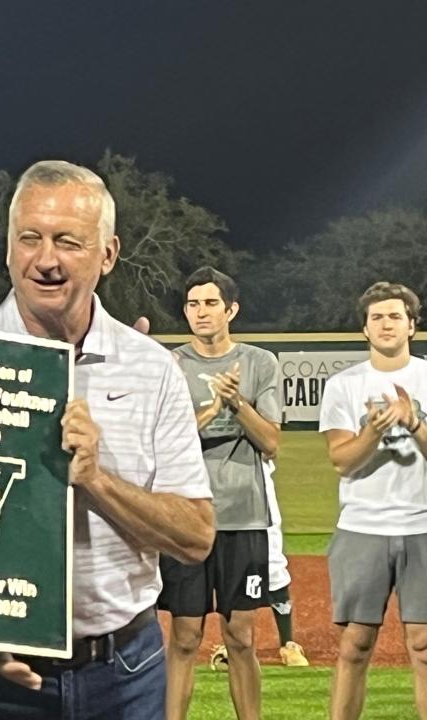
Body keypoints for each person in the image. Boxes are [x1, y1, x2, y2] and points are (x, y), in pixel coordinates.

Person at [0, 160, 215, 720]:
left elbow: (195, 536)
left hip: (124, 670)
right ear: (9, 248)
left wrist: (96, 479)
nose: (46, 260)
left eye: (68, 241)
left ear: (108, 255)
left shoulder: (152, 368)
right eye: (30, 239)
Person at [161, 266, 281, 720]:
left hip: (243, 517)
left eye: (211, 303)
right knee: (185, 636)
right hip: (187, 516)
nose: (200, 312)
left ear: (231, 309)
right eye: (193, 304)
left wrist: (237, 404)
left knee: (242, 637)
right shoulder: (171, 364)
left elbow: (270, 441)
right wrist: (213, 409)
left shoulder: (259, 363)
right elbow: (163, 441)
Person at [319, 281, 427, 720]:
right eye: (377, 316)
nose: (386, 324)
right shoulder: (344, 385)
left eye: (395, 316)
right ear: (364, 327)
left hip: (423, 524)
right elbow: (341, 460)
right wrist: (374, 432)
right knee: (355, 644)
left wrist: (414, 421)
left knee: (423, 646)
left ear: (412, 325)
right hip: (362, 526)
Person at [208, 459, 310, 670]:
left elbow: (271, 441)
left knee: (271, 559)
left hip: (255, 482)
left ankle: (288, 643)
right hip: (211, 484)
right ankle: (232, 642)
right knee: (225, 565)